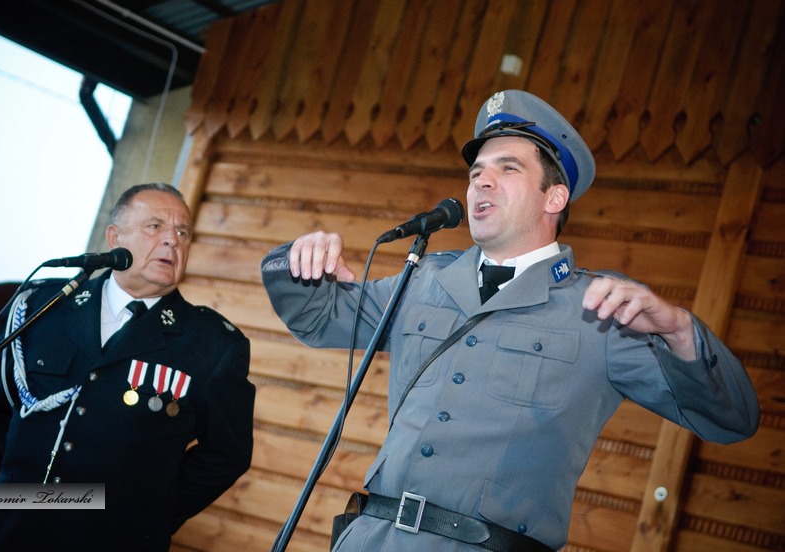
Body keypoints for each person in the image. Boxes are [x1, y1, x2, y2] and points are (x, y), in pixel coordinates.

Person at [260, 90, 759, 552]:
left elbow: (731, 419)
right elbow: (319, 319)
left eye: (508, 167)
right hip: (371, 537)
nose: (481, 179)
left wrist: (679, 330)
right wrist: (297, 259)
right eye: (476, 170)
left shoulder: (601, 311)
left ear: (554, 198)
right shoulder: (424, 278)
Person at [0, 183, 255, 551]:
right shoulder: (43, 306)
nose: (172, 240)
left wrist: (151, 514)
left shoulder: (213, 344)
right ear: (114, 238)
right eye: (155, 226)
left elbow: (227, 454)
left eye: (183, 232)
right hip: (10, 533)